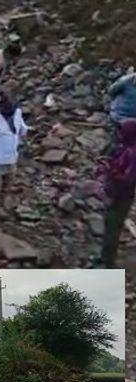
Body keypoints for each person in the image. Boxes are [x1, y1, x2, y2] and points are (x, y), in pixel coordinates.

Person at [101, 120, 136, 267]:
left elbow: (128, 179)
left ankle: (108, 263)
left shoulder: (133, 154)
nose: (118, 135)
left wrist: (111, 171)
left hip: (121, 196)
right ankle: (105, 258)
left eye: (121, 132)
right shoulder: (124, 148)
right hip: (115, 193)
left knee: (112, 229)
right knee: (109, 225)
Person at [108, 70, 136, 153]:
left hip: (133, 119)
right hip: (119, 116)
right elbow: (111, 92)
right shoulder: (125, 82)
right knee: (120, 141)